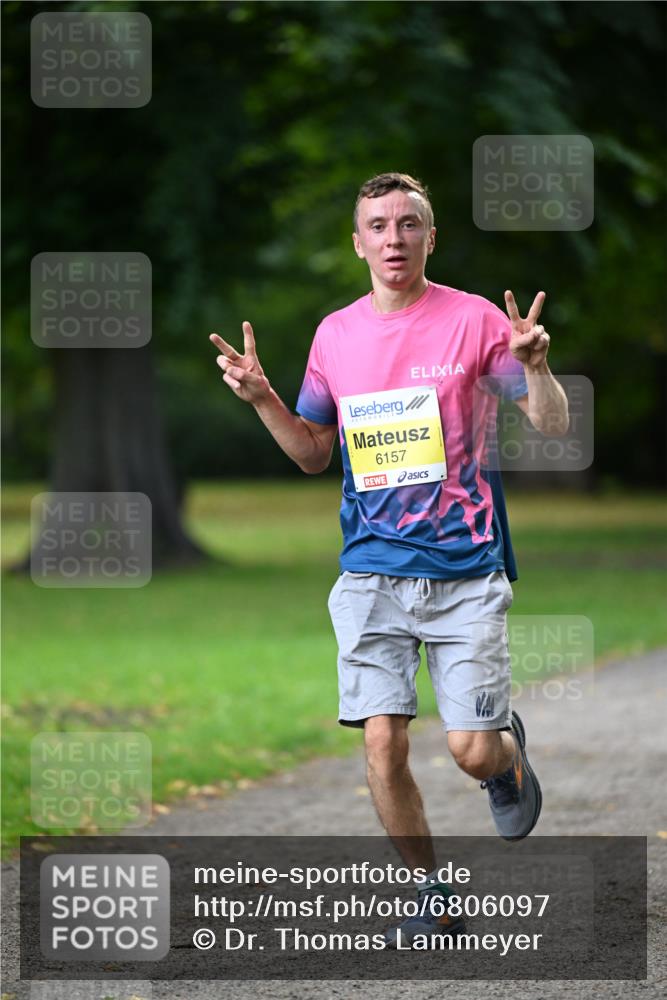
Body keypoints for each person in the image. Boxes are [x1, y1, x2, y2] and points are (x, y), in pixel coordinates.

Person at [209, 172, 569, 948]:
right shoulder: (335, 335)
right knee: (381, 738)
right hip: (369, 570)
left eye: (408, 224)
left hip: (466, 571)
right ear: (357, 241)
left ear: (429, 237)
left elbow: (547, 424)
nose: (393, 238)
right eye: (377, 225)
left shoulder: (474, 321)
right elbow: (312, 453)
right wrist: (264, 398)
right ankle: (427, 892)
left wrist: (535, 366)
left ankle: (503, 760)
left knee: (468, 749)